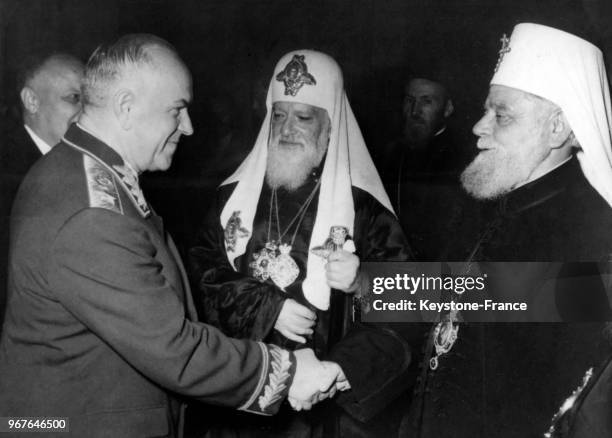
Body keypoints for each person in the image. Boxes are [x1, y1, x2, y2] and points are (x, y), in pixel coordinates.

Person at [0, 35, 345, 438]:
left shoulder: (81, 168)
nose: (189, 127)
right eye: (177, 110)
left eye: (303, 117)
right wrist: (285, 373)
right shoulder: (93, 210)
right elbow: (172, 345)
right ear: (127, 108)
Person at [188, 50, 414, 437]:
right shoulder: (232, 199)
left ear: (331, 125)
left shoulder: (365, 209)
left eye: (304, 117)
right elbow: (198, 275)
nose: (287, 129)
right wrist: (266, 307)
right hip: (240, 393)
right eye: (279, 115)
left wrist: (364, 280)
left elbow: (409, 304)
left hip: (320, 408)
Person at [402, 23, 612, 437]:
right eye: (486, 111)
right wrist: (366, 285)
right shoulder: (487, 200)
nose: (479, 127)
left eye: (501, 115)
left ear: (557, 128)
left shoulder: (591, 236)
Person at [0, 52, 84, 329]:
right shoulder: (8, 172)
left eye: (90, 100)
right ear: (32, 101)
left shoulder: (77, 162)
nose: (85, 112)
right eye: (73, 98)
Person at [383, 74, 474, 260]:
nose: (415, 111)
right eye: (410, 100)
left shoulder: (463, 159)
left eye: (427, 101)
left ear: (447, 109)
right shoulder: (390, 153)